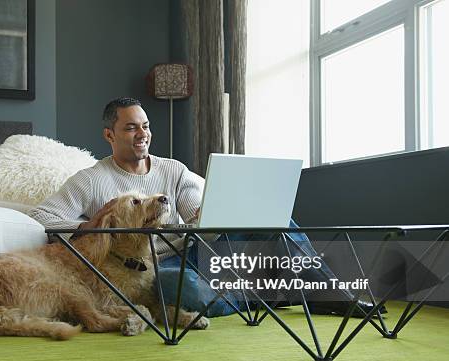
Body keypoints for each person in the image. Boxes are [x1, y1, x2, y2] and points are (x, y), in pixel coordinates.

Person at [29, 97, 381, 318]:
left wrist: (213, 212)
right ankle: (267, 297)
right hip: (154, 265)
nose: (143, 134)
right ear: (110, 135)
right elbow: (42, 217)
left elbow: (197, 213)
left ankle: (335, 295)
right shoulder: (91, 180)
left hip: (196, 248)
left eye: (146, 127)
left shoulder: (174, 169)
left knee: (278, 220)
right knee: (183, 290)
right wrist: (95, 224)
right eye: (131, 128)